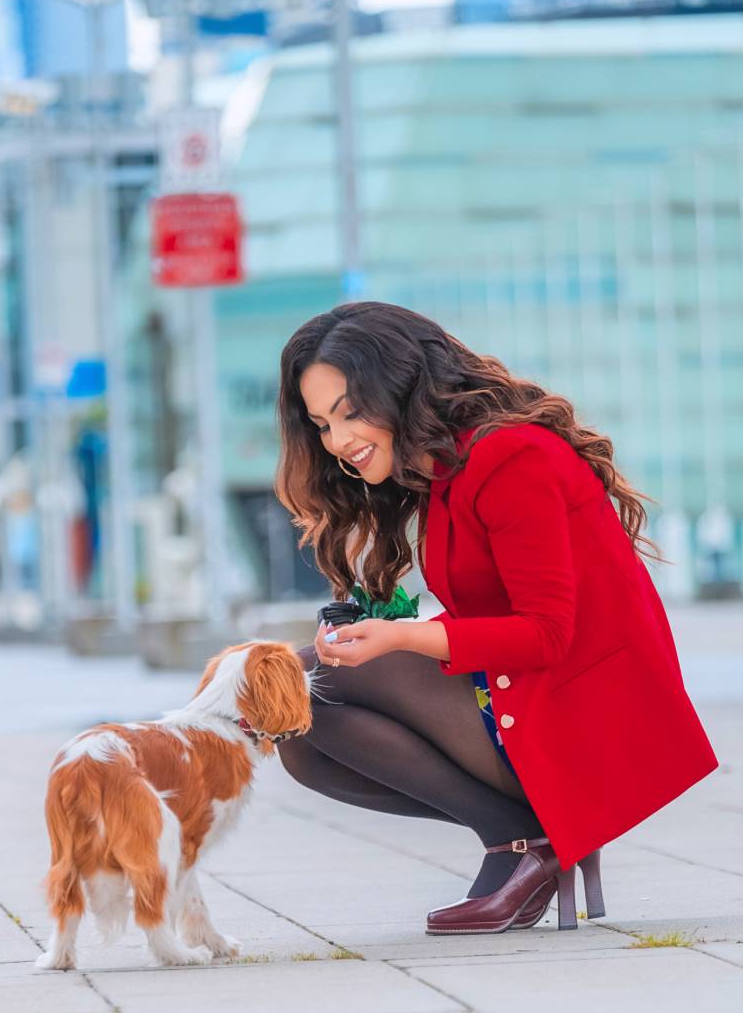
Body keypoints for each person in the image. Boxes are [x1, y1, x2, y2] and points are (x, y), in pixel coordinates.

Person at [274, 301, 719, 935]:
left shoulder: (512, 458)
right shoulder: (446, 475)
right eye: (321, 423)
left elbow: (545, 633)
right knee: (299, 731)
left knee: (307, 677)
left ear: (401, 387)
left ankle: (526, 841)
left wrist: (399, 637)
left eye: (349, 412)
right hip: (520, 694)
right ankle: (520, 838)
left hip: (584, 716)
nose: (338, 440)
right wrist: (391, 627)